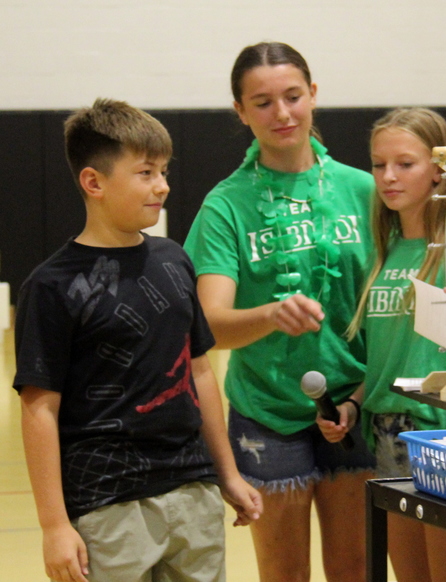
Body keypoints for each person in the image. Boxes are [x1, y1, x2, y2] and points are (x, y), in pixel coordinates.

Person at [14, 98, 263, 582]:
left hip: (192, 490)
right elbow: (39, 409)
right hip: (108, 506)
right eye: (146, 172)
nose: (163, 185)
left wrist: (227, 473)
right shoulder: (50, 286)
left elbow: (199, 371)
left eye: (165, 171)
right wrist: (54, 525)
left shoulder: (173, 261)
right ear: (94, 182)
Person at [183, 42, 376, 582]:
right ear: (241, 112)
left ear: (313, 96)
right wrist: (268, 314)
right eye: (263, 102)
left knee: (354, 568)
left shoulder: (363, 190)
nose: (282, 113)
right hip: (267, 415)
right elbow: (210, 325)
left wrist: (363, 396)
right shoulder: (226, 205)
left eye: (293, 96)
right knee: (284, 572)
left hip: (353, 406)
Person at [318, 107, 446, 582]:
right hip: (384, 433)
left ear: (438, 169)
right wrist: (352, 404)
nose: (387, 177)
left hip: (440, 434)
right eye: (378, 164)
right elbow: (384, 363)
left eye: (404, 164)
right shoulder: (382, 254)